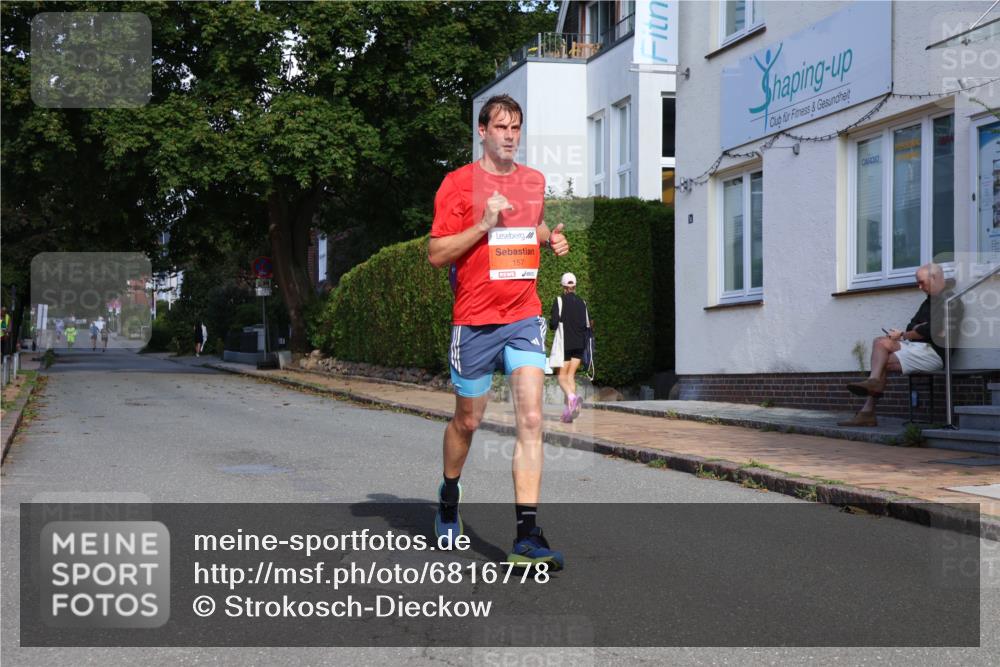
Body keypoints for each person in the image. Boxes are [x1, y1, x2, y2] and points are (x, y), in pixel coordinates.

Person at [427, 94, 570, 570]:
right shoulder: (457, 185)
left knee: (531, 419)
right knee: (467, 421)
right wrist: (483, 225)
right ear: (482, 132)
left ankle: (527, 536)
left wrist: (551, 238)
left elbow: (532, 223)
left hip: (523, 317)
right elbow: (437, 254)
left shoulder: (533, 181)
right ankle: (450, 495)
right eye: (501, 127)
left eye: (516, 128)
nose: (510, 135)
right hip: (473, 320)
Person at [839, 263, 961, 426]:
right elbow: (913, 326)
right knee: (880, 342)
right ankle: (873, 382)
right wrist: (917, 330)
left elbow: (931, 331)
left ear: (934, 278)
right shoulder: (928, 302)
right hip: (918, 347)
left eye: (922, 282)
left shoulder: (951, 301)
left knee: (882, 362)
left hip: (935, 353)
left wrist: (907, 333)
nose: (919, 287)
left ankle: (867, 412)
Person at [548, 272, 592, 423]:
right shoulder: (582, 302)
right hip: (580, 345)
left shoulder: (559, 301)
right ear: (574, 286)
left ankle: (572, 398)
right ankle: (568, 413)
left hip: (565, 344)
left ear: (563, 286)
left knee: (561, 377)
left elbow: (553, 324)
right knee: (571, 377)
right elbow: (587, 326)